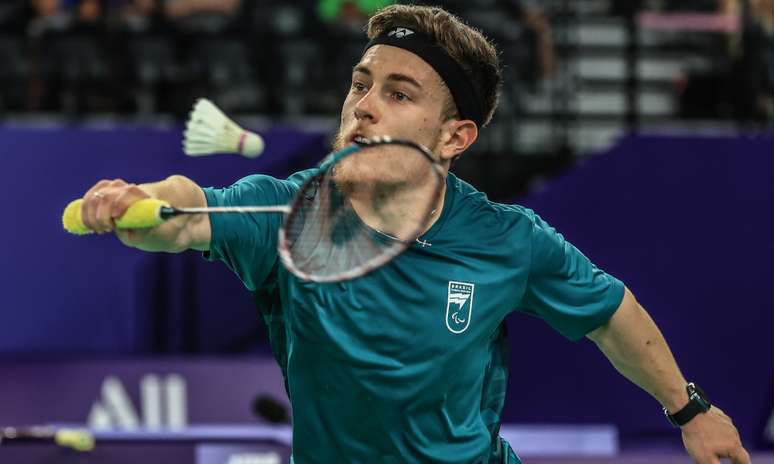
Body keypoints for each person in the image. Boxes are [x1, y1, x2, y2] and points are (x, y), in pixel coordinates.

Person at [78, 4, 750, 463]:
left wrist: (690, 412)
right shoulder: (286, 212)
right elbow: (190, 212)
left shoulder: (507, 239)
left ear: (455, 137)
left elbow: (610, 312)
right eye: (360, 85)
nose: (363, 107)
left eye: (399, 95)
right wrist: (141, 203)